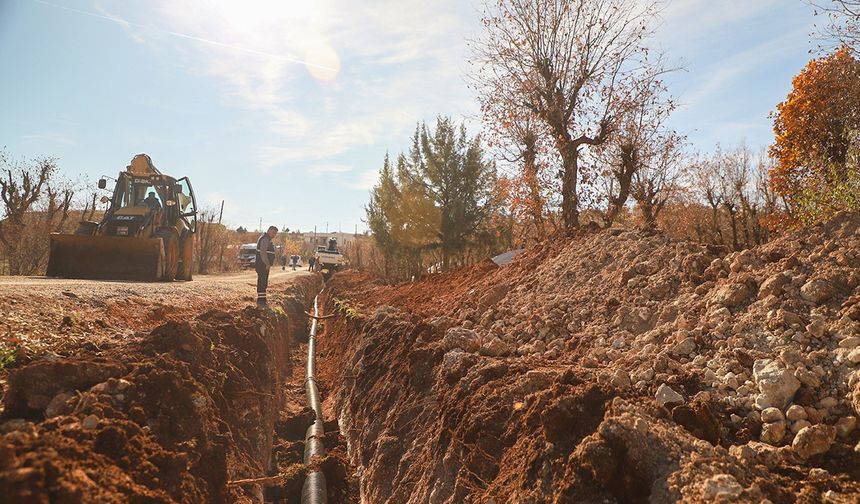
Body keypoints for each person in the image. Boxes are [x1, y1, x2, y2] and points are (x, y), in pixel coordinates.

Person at [255, 226, 278, 307]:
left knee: (264, 282)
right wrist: (267, 264)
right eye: (273, 232)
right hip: (262, 265)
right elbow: (263, 253)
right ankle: (261, 301)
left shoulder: (267, 239)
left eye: (275, 233)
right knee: (262, 281)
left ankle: (262, 299)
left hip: (263, 265)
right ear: (268, 231)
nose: (274, 235)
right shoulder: (265, 239)